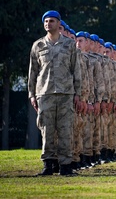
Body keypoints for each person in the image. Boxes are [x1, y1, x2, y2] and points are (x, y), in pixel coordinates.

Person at [28, 10, 81, 176]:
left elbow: (76, 70)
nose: (48, 24)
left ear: (59, 24)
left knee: (65, 130)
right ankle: (48, 165)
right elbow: (33, 72)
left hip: (66, 94)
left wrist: (77, 93)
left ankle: (65, 165)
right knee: (47, 130)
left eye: (52, 21)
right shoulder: (38, 46)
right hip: (44, 93)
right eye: (46, 21)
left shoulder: (70, 45)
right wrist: (31, 94)